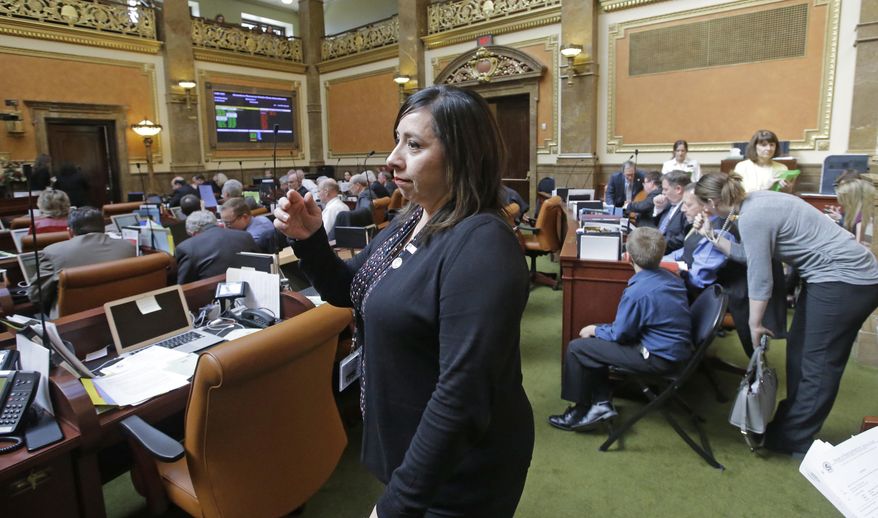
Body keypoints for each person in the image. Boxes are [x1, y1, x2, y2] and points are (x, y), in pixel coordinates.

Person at [274, 85, 533, 517]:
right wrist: (310, 240)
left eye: (413, 145)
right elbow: (351, 290)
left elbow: (462, 396)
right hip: (411, 448)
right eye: (398, 140)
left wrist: (399, 505)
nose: (394, 158)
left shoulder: (482, 244)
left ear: (463, 154)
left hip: (459, 473)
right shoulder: (415, 215)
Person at [693, 172, 878, 456]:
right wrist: (712, 235)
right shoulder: (753, 203)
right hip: (830, 279)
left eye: (704, 205)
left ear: (713, 201)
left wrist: (755, 323)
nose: (704, 210)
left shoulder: (753, 214)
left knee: (818, 363)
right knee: (800, 353)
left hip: (847, 282)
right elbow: (751, 254)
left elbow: (761, 276)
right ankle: (788, 426)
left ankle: (794, 440)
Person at [548, 227, 691, 432]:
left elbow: (621, 334)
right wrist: (598, 330)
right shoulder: (672, 278)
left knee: (577, 347)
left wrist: (595, 330)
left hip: (658, 358)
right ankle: (600, 403)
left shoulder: (637, 293)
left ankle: (579, 410)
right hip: (674, 351)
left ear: (628, 257)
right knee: (595, 336)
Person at [28, 207, 136, 318]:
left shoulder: (52, 252)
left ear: (69, 231)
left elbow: (36, 296)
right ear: (104, 228)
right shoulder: (128, 247)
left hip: (70, 323)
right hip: (120, 314)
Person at [662, 184, 735, 299]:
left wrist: (673, 270)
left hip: (699, 297)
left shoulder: (718, 232)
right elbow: (684, 251)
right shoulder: (703, 222)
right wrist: (658, 260)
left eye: (688, 204)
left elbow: (698, 280)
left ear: (706, 205)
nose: (682, 209)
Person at [175, 210, 259, 284]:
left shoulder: (186, 248)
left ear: (193, 233)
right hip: (250, 287)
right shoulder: (244, 236)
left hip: (210, 297)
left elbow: (183, 287)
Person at [650, 170, 691, 253]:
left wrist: (653, 244)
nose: (663, 192)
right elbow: (657, 228)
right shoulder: (667, 204)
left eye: (665, 189)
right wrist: (658, 209)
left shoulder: (688, 209)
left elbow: (682, 239)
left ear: (678, 189)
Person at [829, 174, 874, 245]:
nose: (842, 204)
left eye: (844, 200)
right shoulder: (859, 214)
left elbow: (859, 247)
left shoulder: (863, 220)